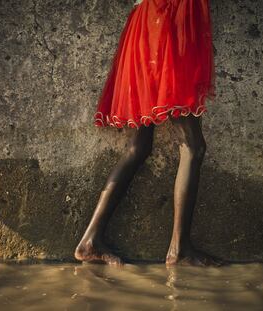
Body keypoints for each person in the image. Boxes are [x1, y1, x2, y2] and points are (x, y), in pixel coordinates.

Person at [74, 0, 223, 266]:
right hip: (169, 22)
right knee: (193, 147)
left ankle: (90, 241)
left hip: (147, 23)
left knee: (139, 146)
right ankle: (179, 249)